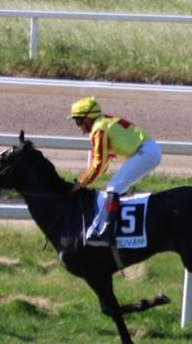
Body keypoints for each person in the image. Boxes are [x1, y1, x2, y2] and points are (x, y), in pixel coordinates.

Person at [69, 96, 162, 247]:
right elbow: (103, 159)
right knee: (117, 187)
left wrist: (81, 183)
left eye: (78, 120)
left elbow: (97, 162)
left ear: (87, 119)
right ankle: (116, 225)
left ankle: (107, 232)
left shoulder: (98, 129)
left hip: (145, 152)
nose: (78, 125)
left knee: (114, 187)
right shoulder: (103, 123)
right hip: (147, 150)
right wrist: (87, 180)